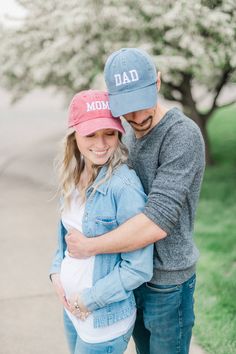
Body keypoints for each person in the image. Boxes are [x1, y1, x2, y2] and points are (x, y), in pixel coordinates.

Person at [66, 48, 206, 354]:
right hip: (126, 275)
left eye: (143, 103)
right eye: (127, 107)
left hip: (166, 283)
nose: (138, 117)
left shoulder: (182, 136)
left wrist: (90, 246)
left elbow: (156, 222)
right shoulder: (123, 129)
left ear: (157, 82)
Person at [49, 89, 153, 354]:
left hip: (103, 321)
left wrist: (88, 301)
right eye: (90, 134)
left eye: (109, 132)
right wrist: (56, 274)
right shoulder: (73, 175)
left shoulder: (124, 187)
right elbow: (66, 236)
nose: (101, 143)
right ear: (74, 135)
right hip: (71, 310)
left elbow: (138, 268)